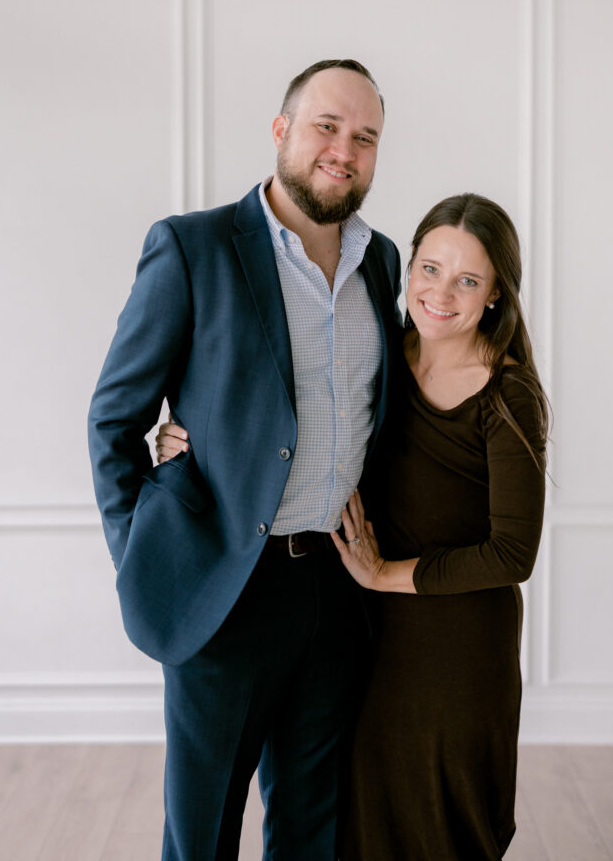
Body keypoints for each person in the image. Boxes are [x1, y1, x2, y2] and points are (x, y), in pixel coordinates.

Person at [159, 191, 548, 860]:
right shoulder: (389, 353)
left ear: (494, 296)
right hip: (371, 633)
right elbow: (306, 419)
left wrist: (383, 574)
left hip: (457, 646)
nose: (441, 293)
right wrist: (193, 444)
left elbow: (513, 552)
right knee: (362, 822)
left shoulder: (507, 393)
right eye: (430, 268)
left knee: (445, 824)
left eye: (467, 281)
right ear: (409, 267)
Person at [88, 59, 402, 861]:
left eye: (364, 137)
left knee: (312, 826)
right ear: (281, 130)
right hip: (224, 586)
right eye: (326, 127)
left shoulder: (382, 261)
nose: (343, 150)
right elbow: (114, 419)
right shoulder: (192, 247)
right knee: (202, 834)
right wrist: (147, 552)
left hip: (337, 587)